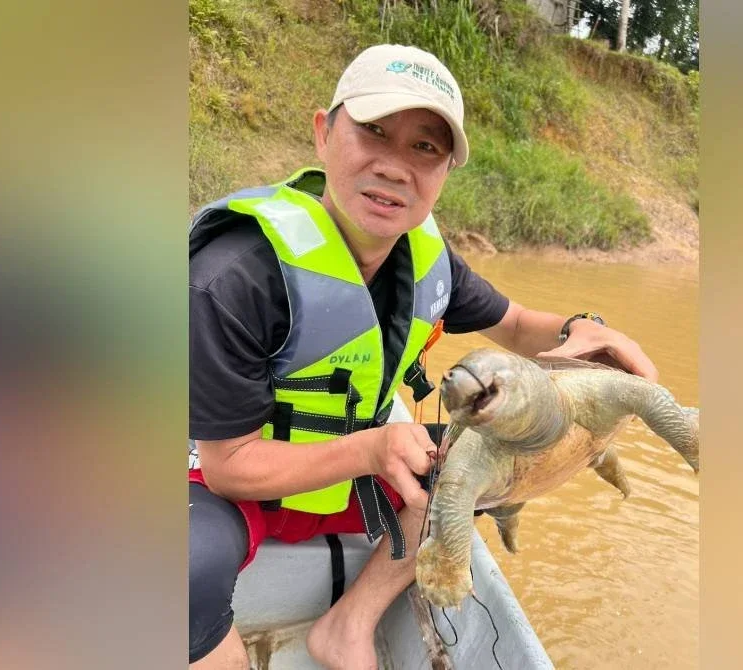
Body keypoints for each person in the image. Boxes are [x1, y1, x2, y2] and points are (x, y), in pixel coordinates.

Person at [188, 43, 658, 670]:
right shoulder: (232, 278)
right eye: (373, 132)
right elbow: (228, 466)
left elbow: (516, 323)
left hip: (349, 473)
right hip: (225, 481)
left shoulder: (427, 259)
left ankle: (349, 625)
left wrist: (586, 329)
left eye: (424, 148)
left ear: (443, 174)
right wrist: (373, 448)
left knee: (485, 464)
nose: (393, 167)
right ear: (324, 134)